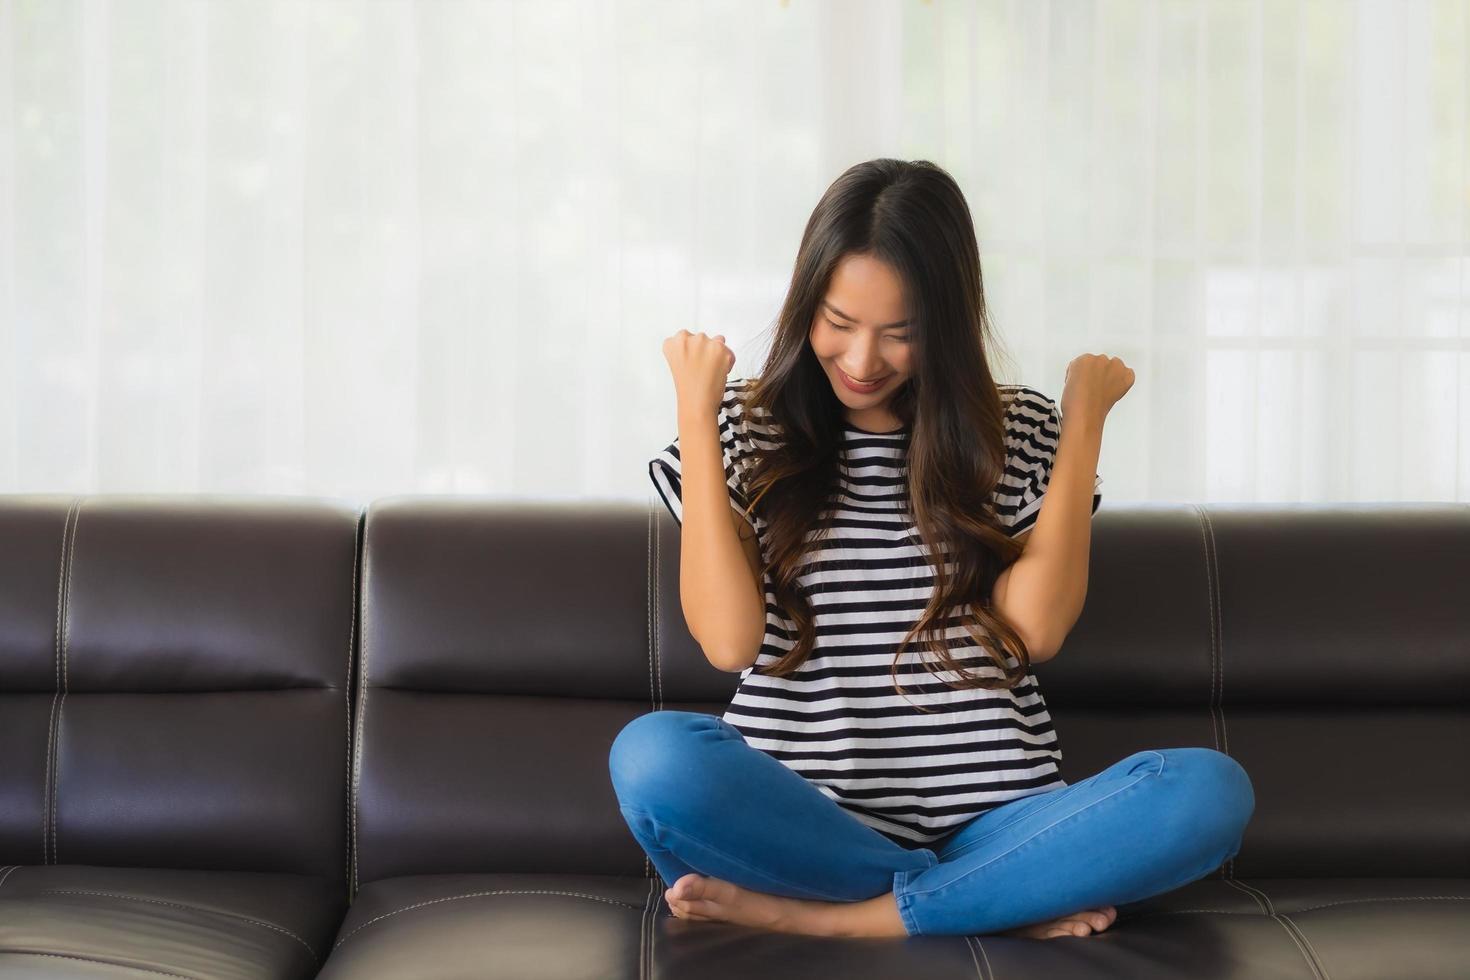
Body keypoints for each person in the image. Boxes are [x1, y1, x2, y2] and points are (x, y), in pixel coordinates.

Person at [611, 158, 1254, 941]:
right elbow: (727, 640)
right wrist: (697, 412)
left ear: (945, 325)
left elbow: (1035, 632)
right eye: (838, 324)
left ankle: (836, 920)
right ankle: (989, 904)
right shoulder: (747, 431)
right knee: (652, 758)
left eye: (900, 335)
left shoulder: (1017, 433)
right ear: (804, 302)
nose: (860, 360)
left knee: (1207, 792)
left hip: (1002, 826)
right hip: (807, 825)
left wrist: (1084, 420)